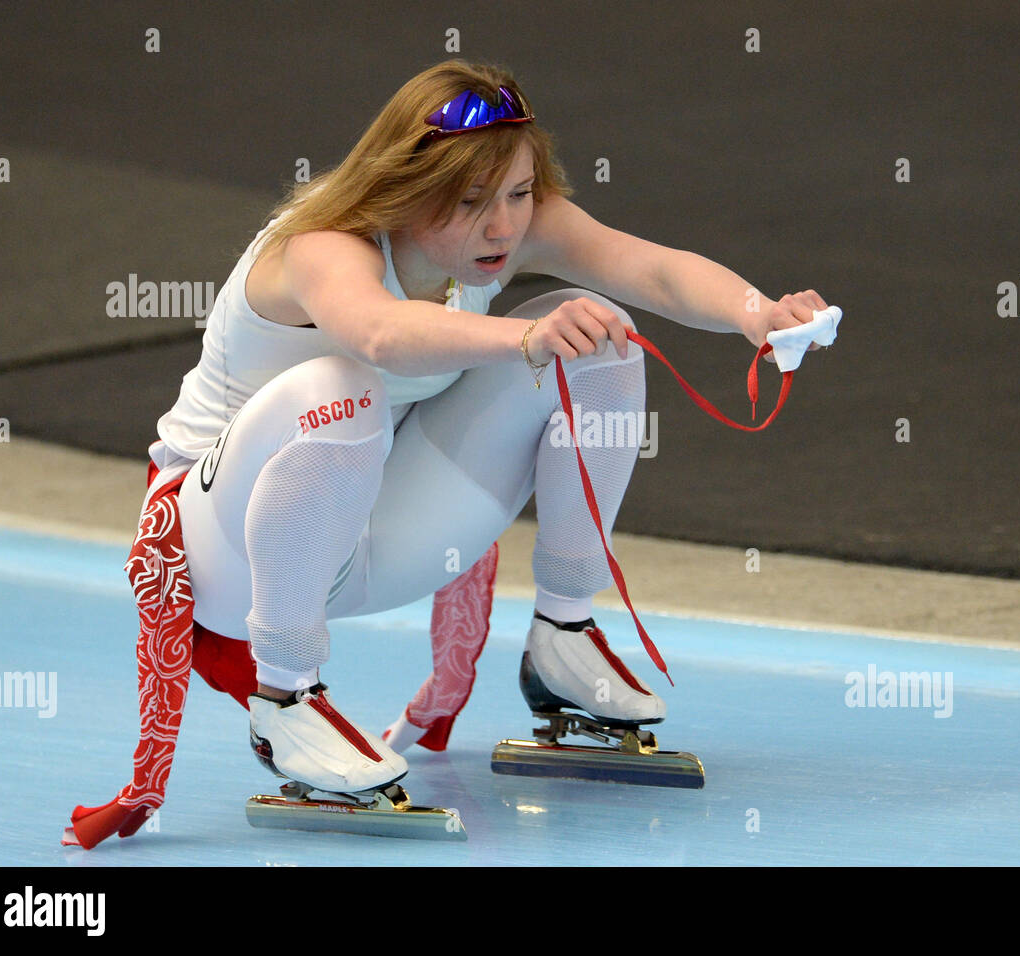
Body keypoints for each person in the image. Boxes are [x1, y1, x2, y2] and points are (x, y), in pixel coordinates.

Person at [154, 58, 828, 800]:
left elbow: (651, 269)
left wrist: (758, 315)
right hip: (224, 556)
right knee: (338, 388)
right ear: (406, 191)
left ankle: (562, 636)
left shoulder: (507, 230)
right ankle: (283, 699)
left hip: (369, 535)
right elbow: (378, 333)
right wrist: (522, 341)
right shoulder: (321, 246)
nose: (504, 224)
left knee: (601, 338)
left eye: (518, 193)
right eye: (472, 200)